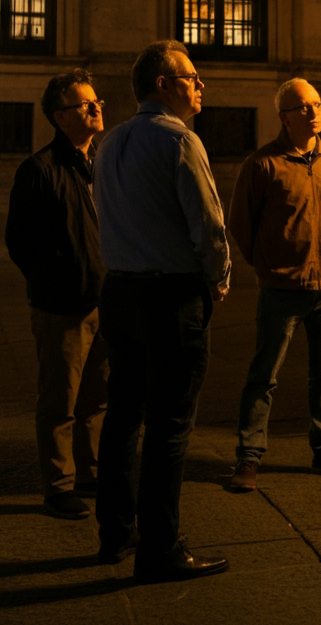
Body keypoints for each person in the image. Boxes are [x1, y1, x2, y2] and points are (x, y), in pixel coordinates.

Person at [94, 40, 231, 581]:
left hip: (120, 292)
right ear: (163, 84)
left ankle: (116, 533)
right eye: (191, 77)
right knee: (170, 424)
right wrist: (219, 281)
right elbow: (209, 225)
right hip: (170, 297)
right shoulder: (179, 141)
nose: (200, 86)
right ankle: (161, 547)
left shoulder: (109, 143)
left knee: (123, 415)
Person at [228, 78, 321, 491]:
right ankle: (249, 457)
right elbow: (241, 224)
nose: (314, 112)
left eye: (318, 104)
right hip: (282, 289)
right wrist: (269, 266)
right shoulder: (263, 164)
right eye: (303, 107)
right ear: (283, 116)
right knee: (263, 376)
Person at [5, 70, 109, 520]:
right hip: (60, 304)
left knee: (97, 397)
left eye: (96, 101)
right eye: (85, 104)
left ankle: (89, 472)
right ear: (60, 116)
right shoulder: (39, 169)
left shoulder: (100, 163)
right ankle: (58, 486)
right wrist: (56, 278)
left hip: (104, 299)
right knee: (60, 399)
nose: (96, 108)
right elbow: (19, 241)